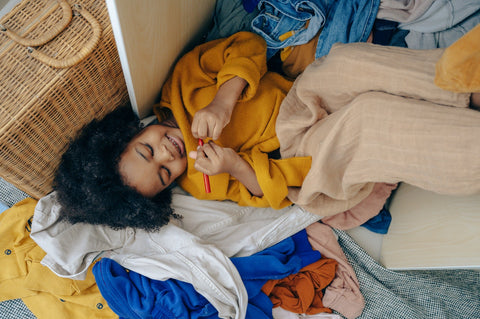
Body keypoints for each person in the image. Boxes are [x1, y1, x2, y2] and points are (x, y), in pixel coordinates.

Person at [54, 31, 480, 231]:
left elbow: (248, 47)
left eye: (147, 151)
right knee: (367, 121)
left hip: (298, 97)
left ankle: (466, 85)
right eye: (165, 173)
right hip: (301, 154)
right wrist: (236, 165)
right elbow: (267, 194)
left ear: (129, 135)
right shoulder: (202, 182)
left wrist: (223, 98)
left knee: (347, 63)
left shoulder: (182, 84)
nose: (170, 155)